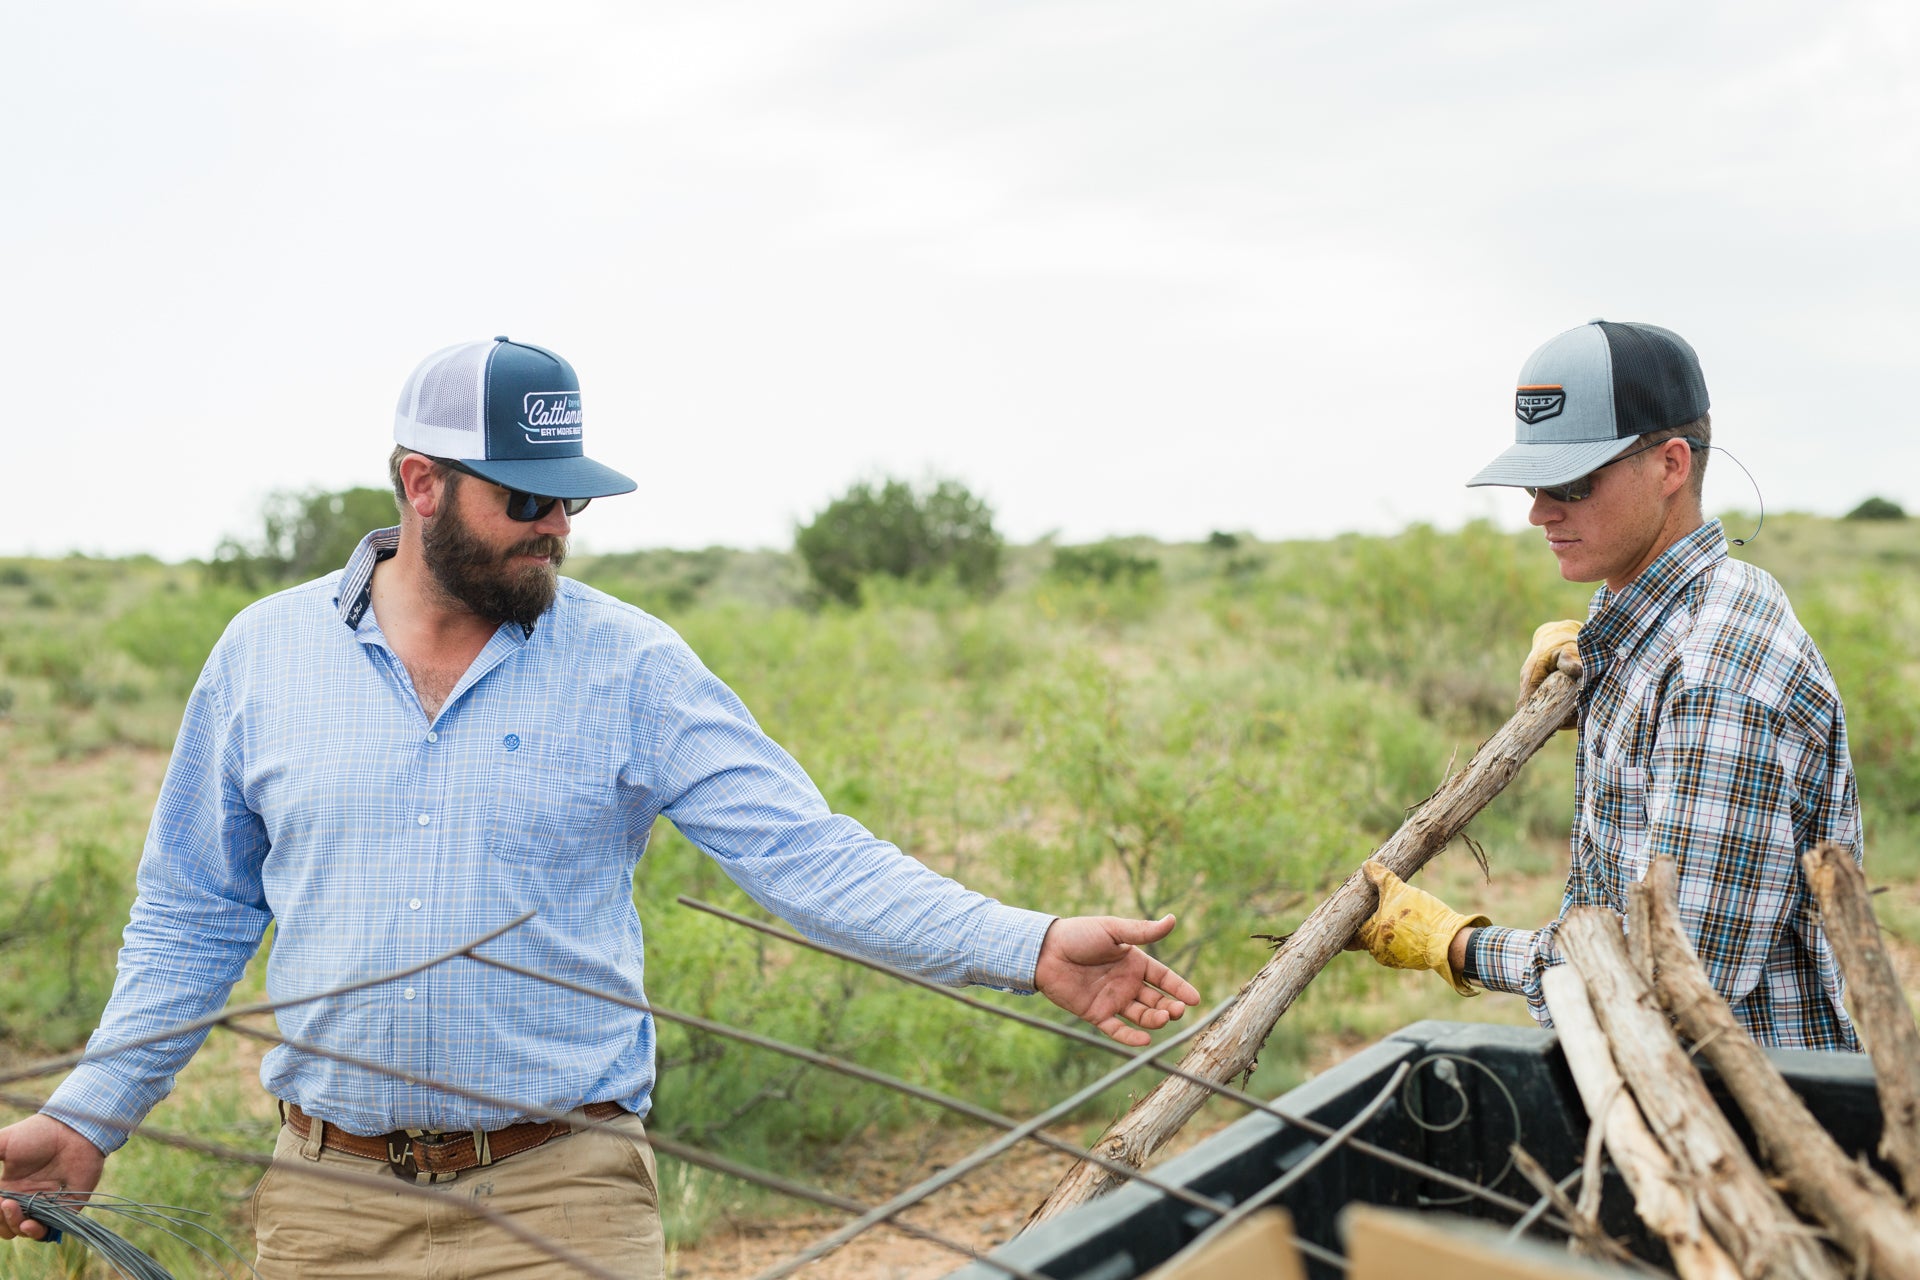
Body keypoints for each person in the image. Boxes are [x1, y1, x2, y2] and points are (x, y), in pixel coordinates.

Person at [0, 337, 1201, 1277]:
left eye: (570, 501)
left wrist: (1029, 943)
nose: (558, 528)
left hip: (563, 1194)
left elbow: (807, 855)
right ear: (421, 484)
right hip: (329, 1204)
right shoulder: (263, 657)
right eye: (526, 499)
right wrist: (89, 1116)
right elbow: (193, 914)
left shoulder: (633, 666)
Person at [1349, 319, 1861, 1051]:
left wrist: (1457, 945)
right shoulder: (1662, 617)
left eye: (1572, 483)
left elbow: (1671, 985)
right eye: (1535, 482)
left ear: (1671, 465)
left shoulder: (1718, 676)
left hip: (1738, 1101)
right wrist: (1602, 665)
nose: (1539, 510)